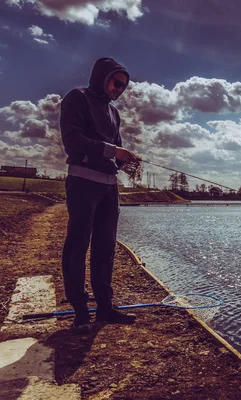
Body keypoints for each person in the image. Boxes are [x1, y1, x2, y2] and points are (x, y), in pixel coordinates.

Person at [60, 57, 138, 333]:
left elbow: (113, 151)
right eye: (117, 83)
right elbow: (73, 141)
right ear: (102, 77)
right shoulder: (77, 98)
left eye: (124, 87)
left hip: (109, 187)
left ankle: (105, 308)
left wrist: (124, 160)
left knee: (105, 248)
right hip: (82, 183)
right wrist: (113, 151)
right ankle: (81, 312)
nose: (119, 90)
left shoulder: (114, 114)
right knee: (77, 246)